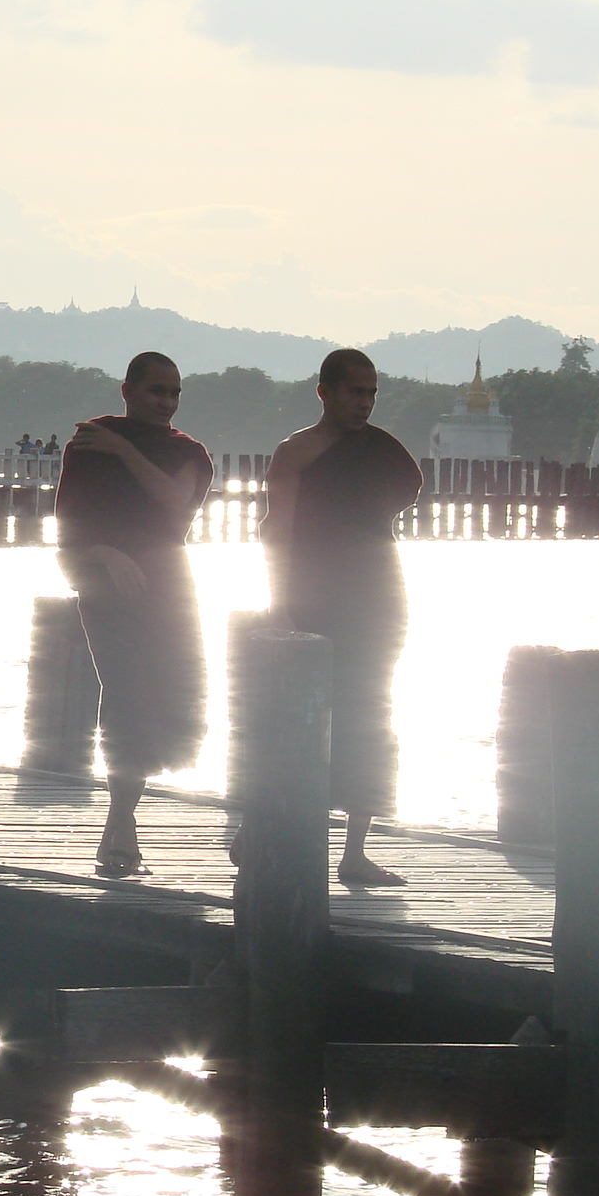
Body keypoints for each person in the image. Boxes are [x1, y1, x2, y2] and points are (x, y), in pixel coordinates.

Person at [260, 347, 424, 886]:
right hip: (314, 596)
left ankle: (356, 851)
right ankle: (261, 825)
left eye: (372, 393)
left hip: (377, 596)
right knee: (301, 716)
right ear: (324, 392)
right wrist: (279, 600)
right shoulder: (297, 452)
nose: (364, 403)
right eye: (355, 392)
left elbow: (403, 490)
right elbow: (275, 530)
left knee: (371, 719)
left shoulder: (381, 449)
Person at [55, 350, 213, 878]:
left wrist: (123, 448)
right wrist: (103, 553)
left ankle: (126, 817)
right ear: (127, 390)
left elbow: (173, 502)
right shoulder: (89, 443)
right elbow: (69, 523)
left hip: (168, 586)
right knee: (126, 694)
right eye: (155, 391)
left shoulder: (187, 451)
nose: (166, 402)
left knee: (171, 700)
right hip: (105, 587)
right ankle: (120, 824)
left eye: (174, 393)